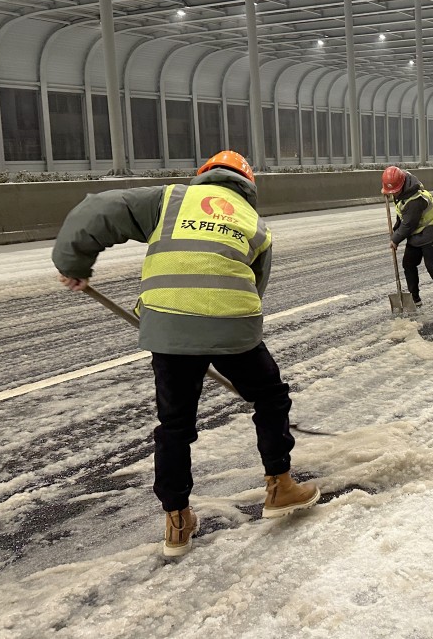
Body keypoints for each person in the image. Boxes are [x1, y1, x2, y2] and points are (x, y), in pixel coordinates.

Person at [52, 150, 320, 558]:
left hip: (170, 328)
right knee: (270, 397)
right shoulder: (255, 224)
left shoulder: (170, 199)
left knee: (175, 426)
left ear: (204, 177)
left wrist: (74, 263)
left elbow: (98, 209)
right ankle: (281, 487)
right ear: (249, 187)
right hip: (233, 328)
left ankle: (177, 522)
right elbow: (255, 288)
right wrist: (225, 337)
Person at [381, 165, 433, 315]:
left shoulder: (415, 200)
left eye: (394, 191)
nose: (393, 194)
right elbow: (402, 215)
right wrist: (396, 227)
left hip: (431, 231)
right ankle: (414, 298)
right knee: (408, 263)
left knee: (431, 266)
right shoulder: (401, 188)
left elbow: (409, 224)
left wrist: (395, 239)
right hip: (417, 233)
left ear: (402, 184)